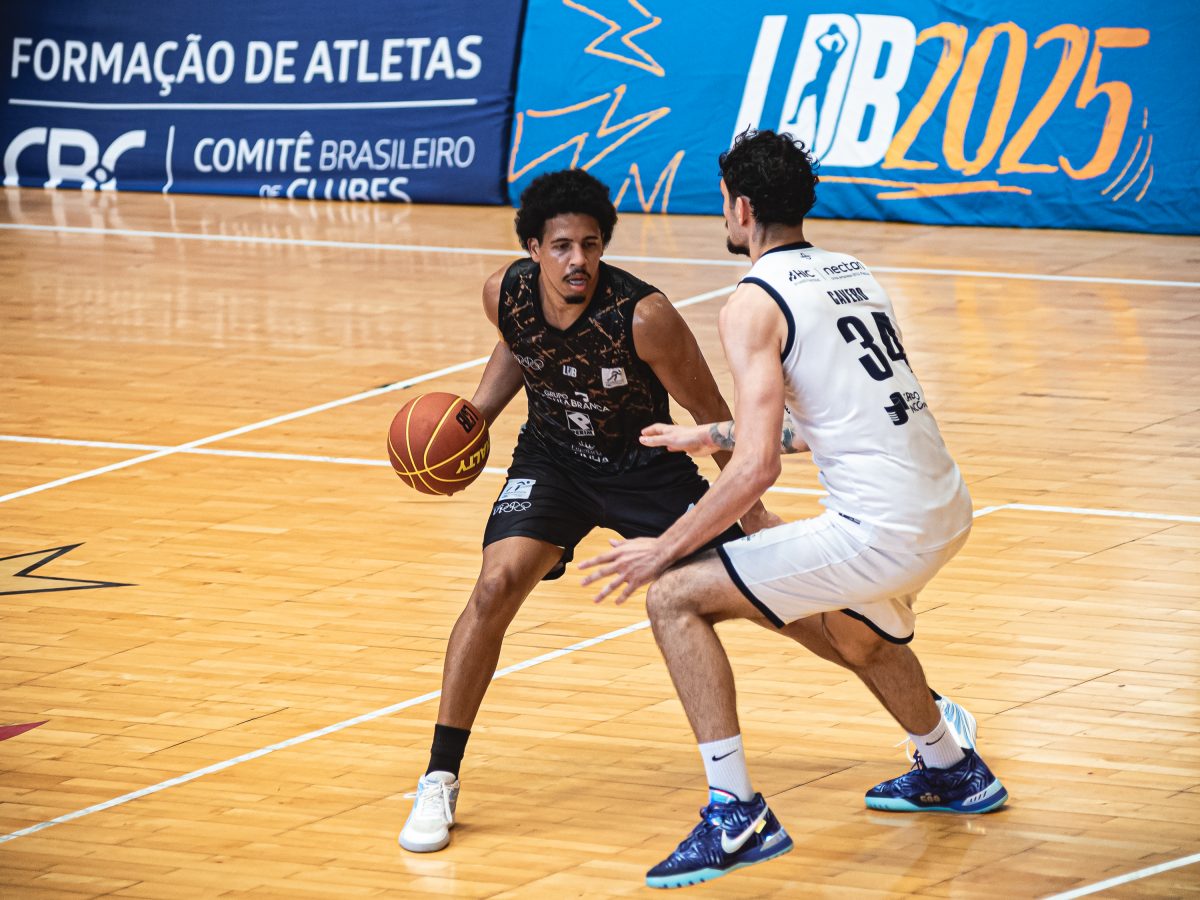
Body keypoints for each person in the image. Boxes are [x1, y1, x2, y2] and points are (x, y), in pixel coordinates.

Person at [580, 130, 1007, 890]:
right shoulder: (853, 273)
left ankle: (736, 813)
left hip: (880, 531)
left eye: (725, 202)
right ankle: (951, 766)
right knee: (857, 634)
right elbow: (829, 422)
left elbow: (758, 468)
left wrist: (662, 548)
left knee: (674, 597)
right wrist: (707, 434)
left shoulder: (753, 303)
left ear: (742, 208)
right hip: (945, 507)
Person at [398, 167, 769, 853]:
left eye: (591, 246)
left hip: (645, 472)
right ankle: (439, 778)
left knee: (770, 590)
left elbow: (710, 412)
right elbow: (521, 345)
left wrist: (752, 510)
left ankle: (917, 707)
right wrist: (475, 419)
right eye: (563, 246)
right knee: (494, 586)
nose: (578, 261)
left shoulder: (644, 316)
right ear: (534, 249)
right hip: (555, 464)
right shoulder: (504, 292)